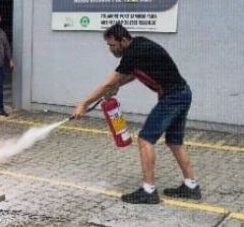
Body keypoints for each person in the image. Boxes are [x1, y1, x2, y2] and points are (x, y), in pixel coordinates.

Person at [72, 23, 199, 204]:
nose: (110, 49)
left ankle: (148, 191)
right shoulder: (139, 45)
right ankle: (191, 186)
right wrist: (117, 86)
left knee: (145, 139)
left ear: (123, 40)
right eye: (108, 45)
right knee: (175, 141)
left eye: (112, 45)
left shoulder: (133, 52)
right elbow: (134, 74)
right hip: (182, 93)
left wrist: (84, 103)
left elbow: (109, 82)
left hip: (173, 97)